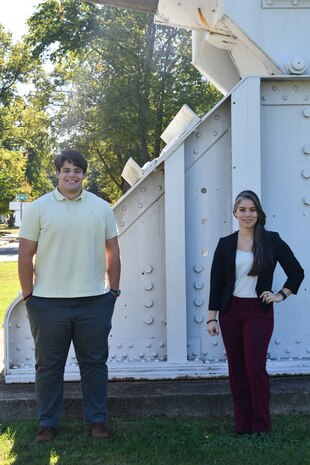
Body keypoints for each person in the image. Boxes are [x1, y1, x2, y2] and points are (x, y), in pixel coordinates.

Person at [18, 149, 121, 442]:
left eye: (77, 170)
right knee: (48, 367)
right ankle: (47, 424)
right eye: (66, 169)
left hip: (94, 301)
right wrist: (29, 296)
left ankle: (98, 421)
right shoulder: (38, 208)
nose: (72, 175)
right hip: (47, 303)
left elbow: (113, 250)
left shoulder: (101, 207)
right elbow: (25, 253)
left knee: (94, 365)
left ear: (84, 174)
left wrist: (112, 292)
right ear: (57, 173)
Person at [207, 190, 304, 434]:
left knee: (254, 368)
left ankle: (260, 425)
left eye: (252, 210)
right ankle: (242, 424)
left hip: (258, 312)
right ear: (235, 213)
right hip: (231, 312)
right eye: (242, 210)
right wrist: (212, 317)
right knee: (236, 370)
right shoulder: (226, 243)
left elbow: (296, 272)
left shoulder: (271, 240)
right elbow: (216, 283)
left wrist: (280, 294)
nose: (247, 214)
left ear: (259, 213)